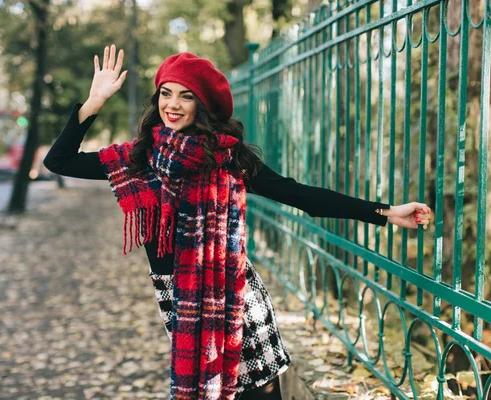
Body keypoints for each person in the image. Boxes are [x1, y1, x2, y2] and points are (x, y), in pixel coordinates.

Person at [43, 44, 432, 400]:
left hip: (237, 305)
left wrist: (385, 212)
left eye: (186, 95)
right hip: (180, 302)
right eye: (166, 93)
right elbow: (58, 161)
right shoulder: (141, 158)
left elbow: (302, 196)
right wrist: (93, 102)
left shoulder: (229, 159)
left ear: (203, 105)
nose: (172, 105)